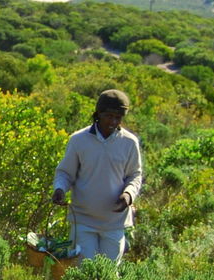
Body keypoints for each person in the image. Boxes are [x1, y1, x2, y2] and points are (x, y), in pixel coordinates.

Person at [51, 88, 144, 262]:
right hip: (83, 221)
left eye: (118, 118)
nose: (113, 121)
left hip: (115, 223)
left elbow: (135, 175)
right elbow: (65, 172)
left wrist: (128, 195)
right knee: (84, 272)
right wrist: (60, 189)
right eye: (109, 116)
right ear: (98, 114)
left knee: (108, 276)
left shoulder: (129, 142)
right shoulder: (78, 140)